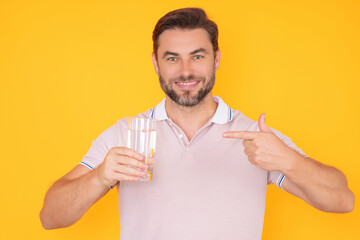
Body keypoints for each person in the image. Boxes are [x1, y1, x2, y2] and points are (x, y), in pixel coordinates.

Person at [40, 7, 354, 239]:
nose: (186, 71)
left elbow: (342, 200)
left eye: (198, 56)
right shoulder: (125, 134)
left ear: (216, 59)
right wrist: (100, 177)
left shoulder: (255, 138)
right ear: (156, 63)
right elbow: (50, 217)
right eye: (172, 58)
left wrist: (288, 160)